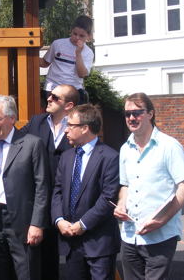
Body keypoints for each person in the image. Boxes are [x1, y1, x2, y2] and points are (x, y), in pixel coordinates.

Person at [0, 95, 49, 280]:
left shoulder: (32, 144)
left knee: (26, 272)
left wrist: (37, 224)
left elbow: (42, 186)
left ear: (12, 118)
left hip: (23, 221)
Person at [114, 93, 184, 280]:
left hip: (160, 236)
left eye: (137, 113)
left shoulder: (169, 146)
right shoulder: (125, 149)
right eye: (127, 114)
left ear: (151, 114)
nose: (131, 118)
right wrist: (121, 204)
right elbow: (125, 185)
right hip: (130, 235)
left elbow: (183, 187)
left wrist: (162, 220)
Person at [51, 104, 120, 280]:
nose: (66, 130)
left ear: (85, 128)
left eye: (70, 125)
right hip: (71, 242)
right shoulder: (66, 157)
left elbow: (108, 198)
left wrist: (83, 224)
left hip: (99, 242)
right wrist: (59, 220)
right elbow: (57, 191)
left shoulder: (110, 157)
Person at [19, 84, 79, 280]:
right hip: (41, 199)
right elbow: (16, 140)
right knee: (42, 256)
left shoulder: (78, 127)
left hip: (68, 200)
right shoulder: (37, 121)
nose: (48, 99)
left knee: (75, 255)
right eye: (48, 95)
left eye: (54, 97)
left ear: (69, 105)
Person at [39, 15, 94, 105]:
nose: (77, 38)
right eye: (75, 34)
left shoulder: (88, 53)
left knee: (72, 118)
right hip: (52, 88)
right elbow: (45, 63)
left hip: (74, 91)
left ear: (88, 36)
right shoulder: (58, 44)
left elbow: (82, 74)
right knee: (55, 117)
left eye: (81, 36)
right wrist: (28, 55)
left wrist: (78, 53)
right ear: (71, 31)